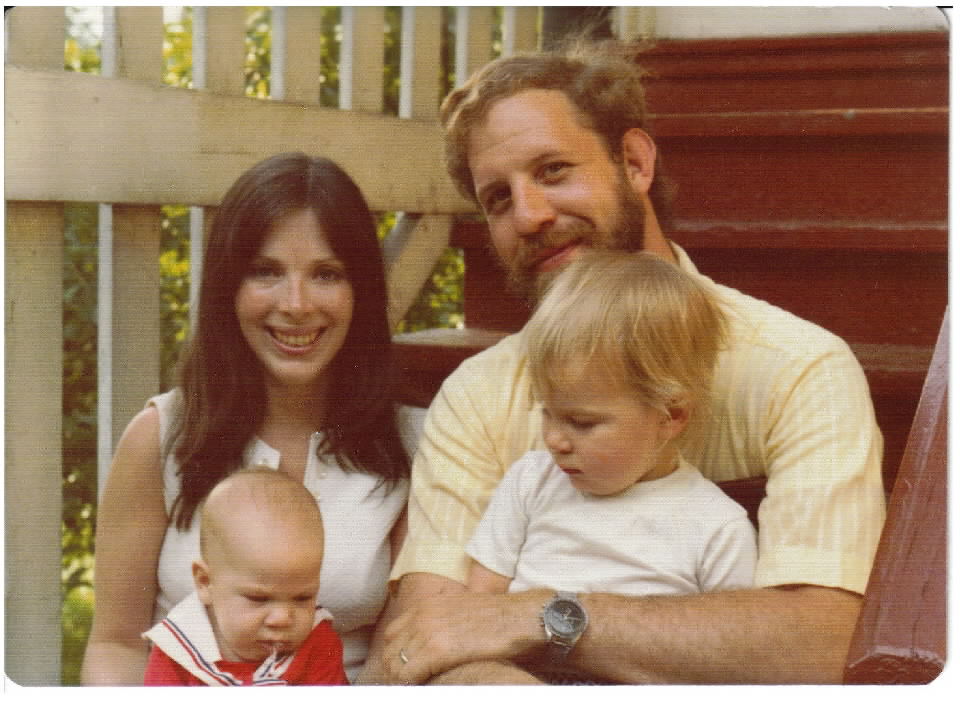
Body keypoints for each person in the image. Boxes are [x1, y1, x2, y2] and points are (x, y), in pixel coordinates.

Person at [373, 39, 887, 685]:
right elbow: (422, 643)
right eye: (498, 199)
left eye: (554, 170)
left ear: (635, 162)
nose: (530, 215)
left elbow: (819, 645)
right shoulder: (479, 397)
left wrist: (544, 615)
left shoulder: (797, 370)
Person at [82, 152, 416, 685]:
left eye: (326, 274)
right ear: (226, 288)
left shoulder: (413, 447)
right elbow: (116, 644)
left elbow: (402, 655)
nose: (297, 304)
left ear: (363, 291)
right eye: (265, 272)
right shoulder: (161, 436)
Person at [465, 252, 757, 678]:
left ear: (671, 416)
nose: (555, 440)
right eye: (547, 411)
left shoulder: (717, 527)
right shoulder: (531, 482)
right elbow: (479, 605)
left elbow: (730, 654)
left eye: (582, 422)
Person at [143, 469, 348, 686]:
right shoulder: (179, 647)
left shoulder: (317, 643)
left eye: (302, 598)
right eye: (258, 599)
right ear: (205, 582)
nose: (282, 618)